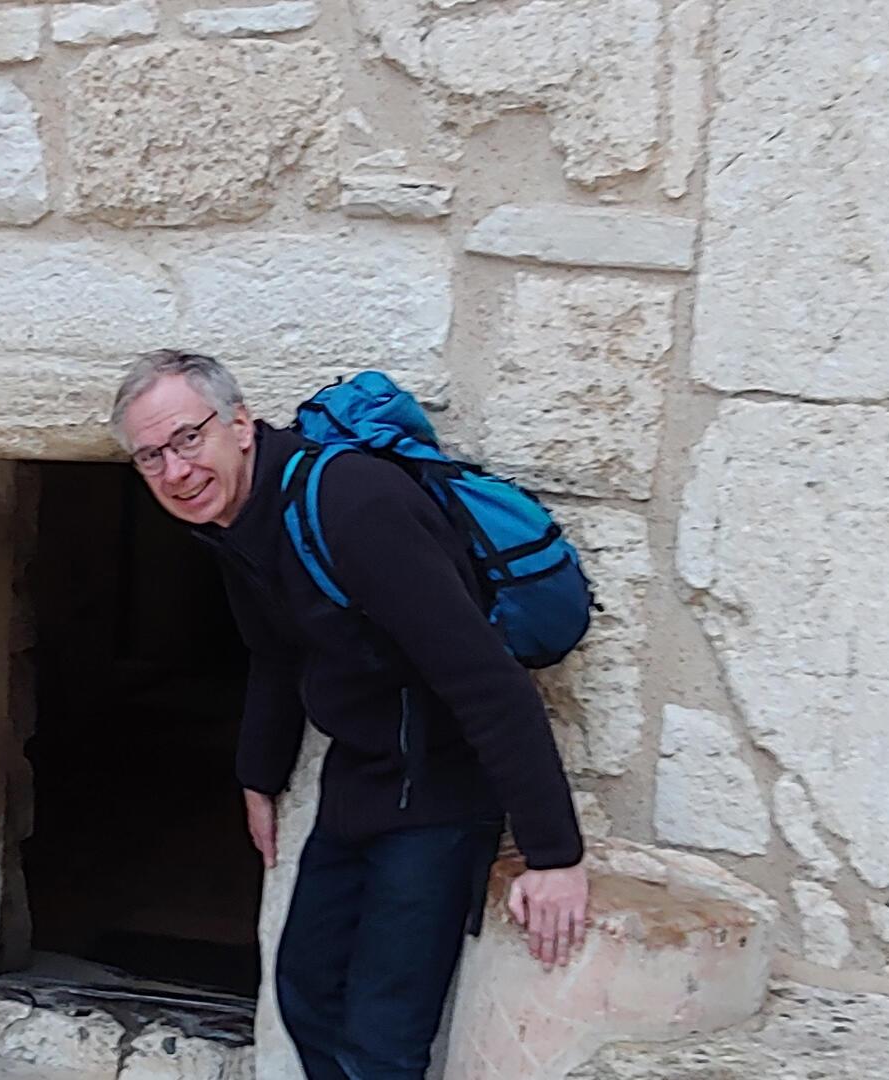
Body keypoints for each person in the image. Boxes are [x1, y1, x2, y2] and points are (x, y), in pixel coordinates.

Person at [109, 350, 590, 1079]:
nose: (175, 471)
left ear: (240, 425)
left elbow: (488, 680)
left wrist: (554, 855)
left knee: (382, 1039)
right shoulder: (237, 521)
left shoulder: (352, 504)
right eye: (151, 457)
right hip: (363, 779)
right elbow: (274, 651)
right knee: (307, 991)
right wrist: (258, 776)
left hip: (440, 792)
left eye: (187, 439)